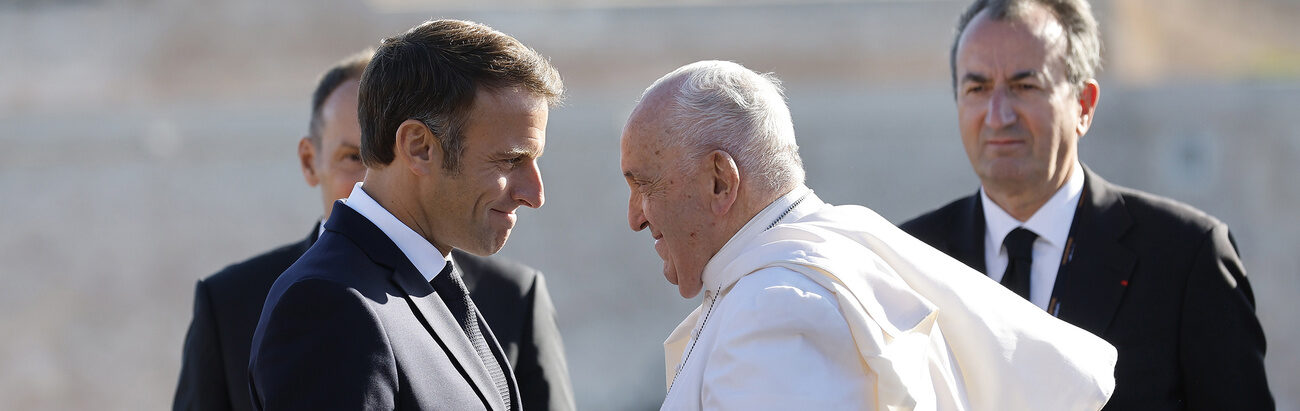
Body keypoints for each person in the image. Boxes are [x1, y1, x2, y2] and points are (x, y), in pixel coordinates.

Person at [621, 60, 1117, 411]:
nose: (635, 217)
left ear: (720, 180)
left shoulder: (771, 308)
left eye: (644, 185)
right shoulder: (832, 254)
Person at [898, 0, 1274, 409]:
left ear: (1084, 105)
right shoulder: (908, 261)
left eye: (1026, 86)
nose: (998, 114)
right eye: (977, 88)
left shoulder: (1186, 258)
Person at [172, 48, 575, 411]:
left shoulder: (428, 280)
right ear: (418, 146)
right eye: (509, 160)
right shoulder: (329, 304)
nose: (535, 194)